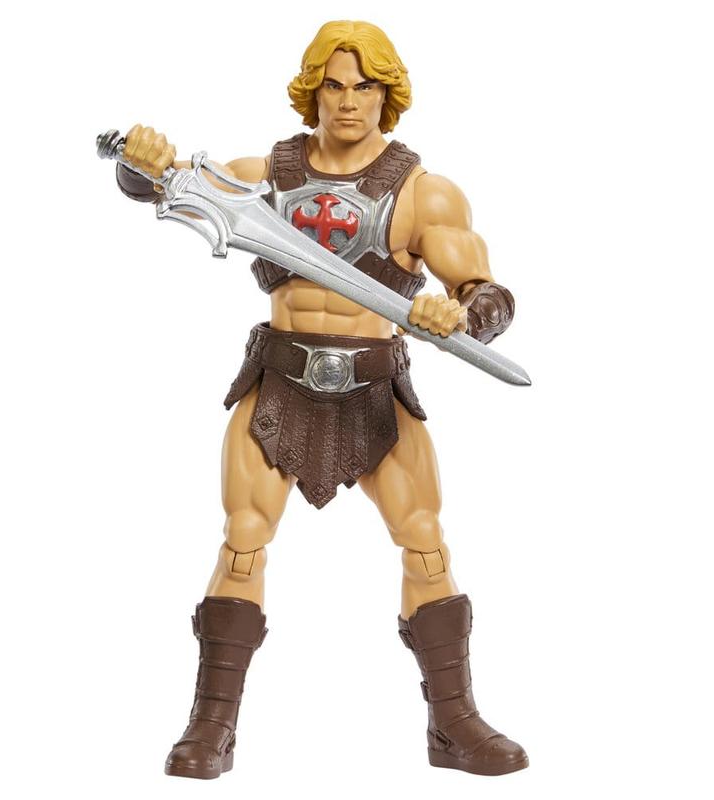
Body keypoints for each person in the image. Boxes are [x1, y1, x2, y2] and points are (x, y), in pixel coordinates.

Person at [113, 19, 525, 779]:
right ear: (314, 92)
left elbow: (487, 293)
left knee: (425, 541)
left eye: (364, 86)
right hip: (281, 382)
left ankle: (454, 724)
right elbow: (174, 190)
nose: (348, 102)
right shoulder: (265, 177)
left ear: (387, 94)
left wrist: (461, 316)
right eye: (333, 86)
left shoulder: (422, 194)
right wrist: (140, 165)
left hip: (374, 387)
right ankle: (211, 727)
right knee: (243, 541)